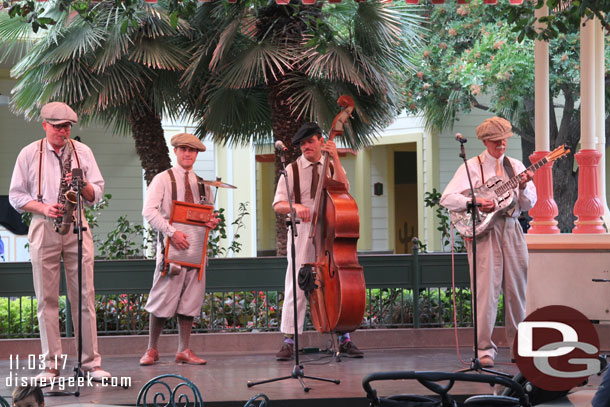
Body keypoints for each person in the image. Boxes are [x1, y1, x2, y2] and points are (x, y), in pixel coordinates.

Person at [9, 102, 110, 380]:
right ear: (44, 125)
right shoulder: (29, 153)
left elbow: (97, 191)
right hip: (44, 225)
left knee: (85, 297)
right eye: (57, 127)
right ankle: (51, 365)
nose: (63, 132)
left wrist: (82, 184)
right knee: (46, 299)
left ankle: (91, 363)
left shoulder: (82, 152)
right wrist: (43, 208)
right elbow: (16, 196)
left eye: (66, 127)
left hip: (77, 223)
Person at [440, 117, 536, 368]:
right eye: (496, 140)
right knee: (486, 293)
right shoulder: (471, 167)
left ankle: (520, 348)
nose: (501, 144)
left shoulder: (515, 166)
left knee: (517, 291)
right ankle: (484, 349)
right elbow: (447, 198)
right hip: (484, 232)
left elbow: (529, 204)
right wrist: (474, 202)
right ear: (484, 141)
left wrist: (524, 187)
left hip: (512, 229)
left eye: (504, 139)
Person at [272, 122, 363, 361]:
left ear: (321, 141)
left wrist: (337, 160)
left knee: (336, 285)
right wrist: (296, 207)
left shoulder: (331, 166)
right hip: (302, 232)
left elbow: (344, 189)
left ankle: (344, 338)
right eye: (302, 144)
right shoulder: (291, 170)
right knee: (297, 284)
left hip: (329, 232)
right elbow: (278, 204)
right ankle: (290, 340)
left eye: (310, 142)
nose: (306, 147)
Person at [139, 133, 220, 366]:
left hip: (195, 252)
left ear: (197, 154)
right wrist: (172, 232)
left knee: (190, 301)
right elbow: (149, 211)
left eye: (192, 151)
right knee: (162, 299)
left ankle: (184, 350)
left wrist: (211, 223)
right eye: (183, 149)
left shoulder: (204, 185)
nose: (188, 154)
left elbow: (208, 217)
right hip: (171, 251)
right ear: (175, 151)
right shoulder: (163, 179)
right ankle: (151, 349)